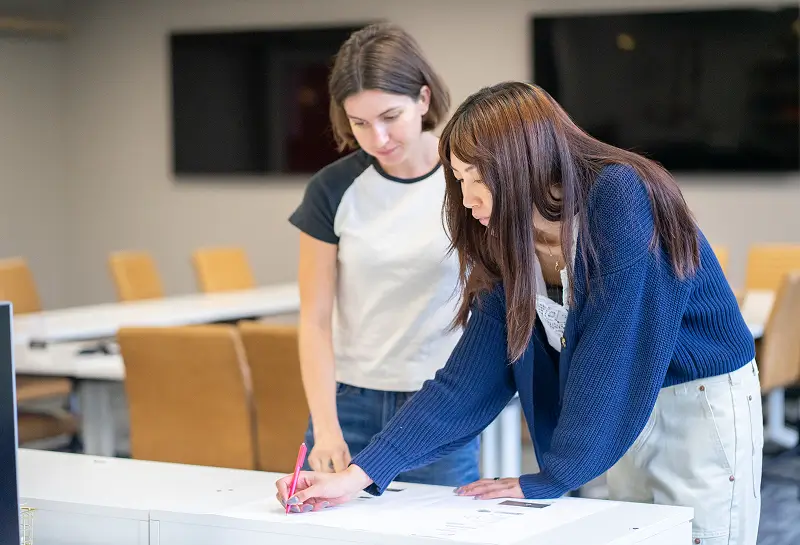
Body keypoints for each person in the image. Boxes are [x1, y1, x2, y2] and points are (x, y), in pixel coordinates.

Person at [277, 81, 763, 544]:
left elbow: (615, 351)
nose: (466, 201)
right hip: (618, 409)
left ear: (520, 165)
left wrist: (553, 477)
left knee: (701, 536)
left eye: (477, 179)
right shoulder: (509, 239)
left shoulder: (620, 195)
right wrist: (361, 474)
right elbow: (467, 381)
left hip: (693, 402)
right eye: (460, 180)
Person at [286, 22, 480, 490]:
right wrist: (326, 427)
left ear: (424, 99)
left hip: (439, 400)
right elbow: (313, 320)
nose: (378, 137)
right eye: (359, 123)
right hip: (349, 403)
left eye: (390, 115)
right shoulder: (332, 189)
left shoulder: (469, 177)